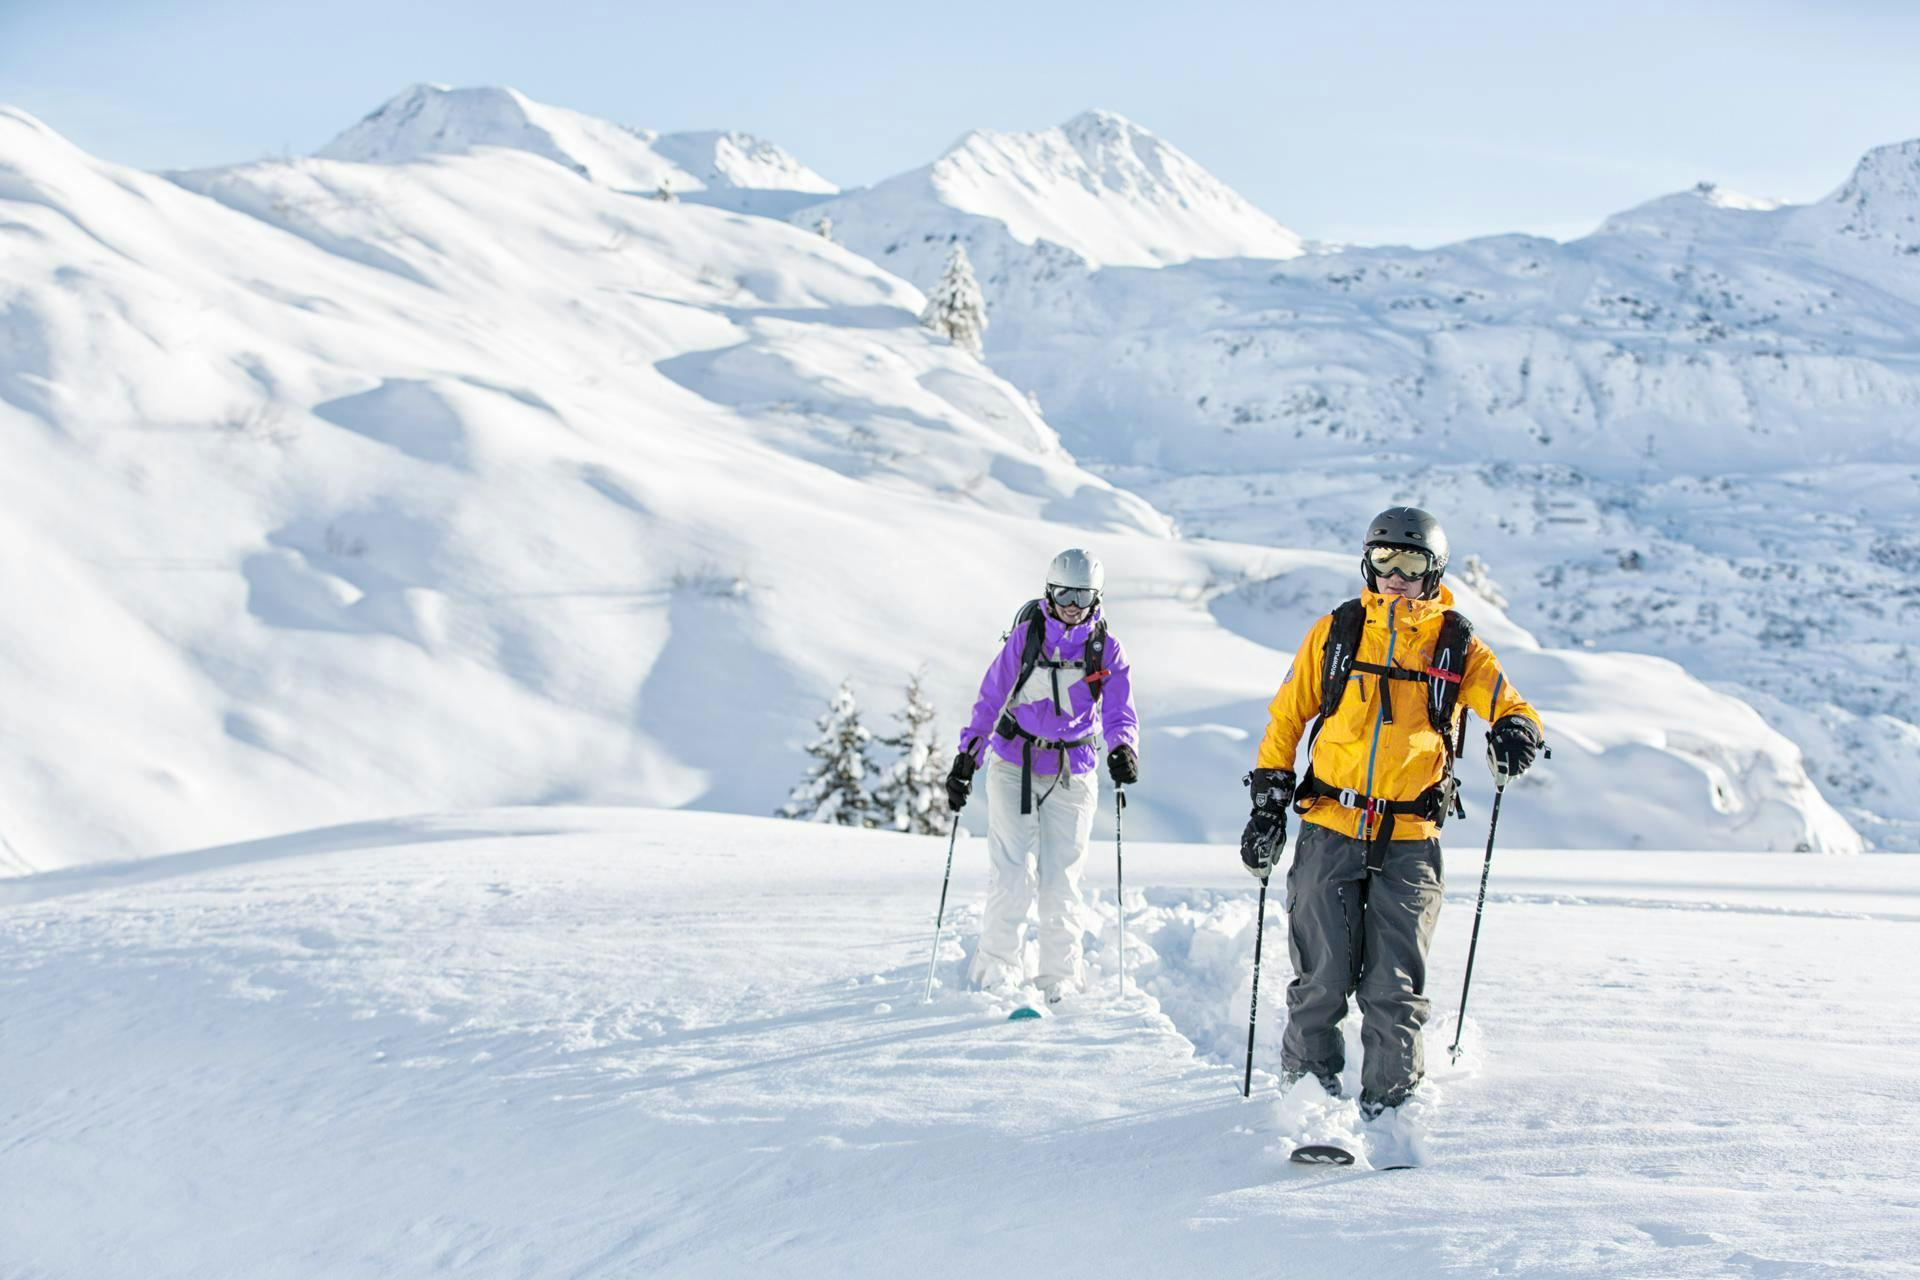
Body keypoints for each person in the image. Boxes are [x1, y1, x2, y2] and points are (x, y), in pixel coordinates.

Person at [1239, 507, 1543, 1118]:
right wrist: (1269, 805)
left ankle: (1392, 1112)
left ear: (1434, 571)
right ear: (1367, 564)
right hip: (1330, 825)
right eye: (1384, 561)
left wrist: (1517, 731)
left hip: (1410, 837)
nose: (1395, 576)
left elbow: (1514, 707)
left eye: (1410, 563)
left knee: (1393, 989)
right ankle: (1307, 1102)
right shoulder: (1338, 632)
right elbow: (1287, 717)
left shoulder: (1455, 644)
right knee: (1322, 979)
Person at [945, 549, 1140, 1002]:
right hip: (1015, 763)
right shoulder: (1026, 638)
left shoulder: (1105, 649)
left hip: (1074, 772)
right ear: (1048, 593)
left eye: (1082, 596)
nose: (1072, 605)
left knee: (1062, 880)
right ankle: (997, 968)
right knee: (1012, 873)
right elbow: (990, 699)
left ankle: (1060, 977)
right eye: (1064, 594)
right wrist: (967, 758)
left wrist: (1123, 748)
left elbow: (1119, 710)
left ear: (1096, 597)